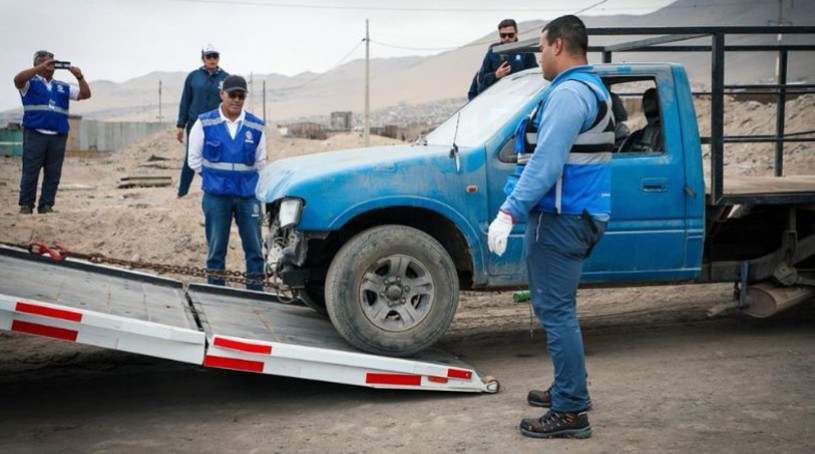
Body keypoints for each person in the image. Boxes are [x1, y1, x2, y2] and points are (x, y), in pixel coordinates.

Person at [487, 15, 614, 439]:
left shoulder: (568, 94)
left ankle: (571, 411)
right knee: (557, 309)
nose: (539, 55)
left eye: (541, 47)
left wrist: (509, 211)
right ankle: (568, 388)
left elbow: (546, 163)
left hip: (563, 219)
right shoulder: (584, 88)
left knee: (556, 312)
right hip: (574, 214)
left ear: (558, 45)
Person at [187, 75, 266, 291]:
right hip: (216, 197)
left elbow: (261, 163)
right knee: (216, 252)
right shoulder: (204, 123)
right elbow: (193, 160)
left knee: (255, 250)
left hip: (248, 197)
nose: (237, 100)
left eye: (241, 95)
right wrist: (214, 179)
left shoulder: (255, 126)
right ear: (222, 94)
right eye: (233, 94)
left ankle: (257, 293)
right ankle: (216, 294)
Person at [14, 50, 91, 214]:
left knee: (53, 173)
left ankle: (46, 205)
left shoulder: (62, 86)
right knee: (31, 171)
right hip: (35, 134)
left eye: (53, 61)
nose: (51, 64)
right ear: (37, 64)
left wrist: (79, 77)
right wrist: (39, 68)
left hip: (58, 136)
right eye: (46, 61)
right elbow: (17, 80)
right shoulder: (29, 83)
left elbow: (85, 94)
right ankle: (26, 205)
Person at [176, 44, 229, 198]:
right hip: (195, 124)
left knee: (218, 157)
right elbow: (185, 101)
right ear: (203, 58)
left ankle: (218, 189)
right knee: (191, 158)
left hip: (217, 125)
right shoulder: (193, 77)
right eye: (209, 57)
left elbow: (231, 102)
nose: (212, 60)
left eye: (215, 56)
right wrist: (180, 125)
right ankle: (182, 193)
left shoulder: (226, 78)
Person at [474, 19, 538, 96]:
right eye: (503, 35)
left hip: (519, 95)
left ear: (516, 33)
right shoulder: (493, 52)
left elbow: (534, 75)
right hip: (497, 96)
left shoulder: (525, 51)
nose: (507, 38)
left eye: (510, 35)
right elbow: (482, 78)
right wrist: (496, 75)